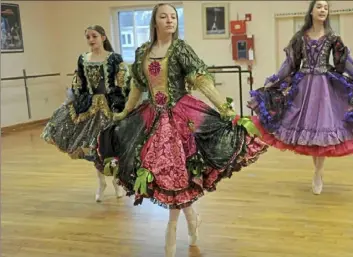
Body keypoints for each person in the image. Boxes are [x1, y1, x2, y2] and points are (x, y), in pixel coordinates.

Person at [96, 3, 268, 257]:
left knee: (180, 174)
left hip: (181, 117)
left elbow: (200, 79)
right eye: (164, 17)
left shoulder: (181, 49)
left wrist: (224, 108)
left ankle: (182, 227)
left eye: (173, 17)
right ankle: (189, 223)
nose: (170, 21)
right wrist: (124, 112)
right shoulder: (143, 51)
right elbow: (137, 86)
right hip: (152, 118)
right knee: (167, 175)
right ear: (154, 22)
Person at [248, 0, 353, 195]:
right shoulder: (299, 38)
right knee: (312, 134)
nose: (323, 10)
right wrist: (276, 79)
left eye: (326, 7)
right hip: (303, 89)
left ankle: (318, 173)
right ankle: (318, 171)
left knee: (322, 131)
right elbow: (290, 64)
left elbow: (344, 62)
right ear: (311, 11)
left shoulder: (332, 38)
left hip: (325, 88)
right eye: (319, 6)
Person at [41, 25, 131, 202]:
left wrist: (125, 105)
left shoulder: (114, 58)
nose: (91, 40)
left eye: (94, 36)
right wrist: (68, 102)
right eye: (88, 37)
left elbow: (123, 82)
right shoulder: (83, 59)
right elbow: (79, 84)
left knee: (111, 145)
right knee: (93, 146)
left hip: (110, 106)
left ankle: (116, 181)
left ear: (103, 38)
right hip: (89, 107)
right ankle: (101, 182)